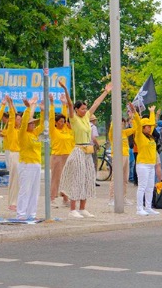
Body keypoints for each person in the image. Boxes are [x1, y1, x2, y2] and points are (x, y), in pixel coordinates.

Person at [59, 80, 112, 218]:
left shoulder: (87, 117)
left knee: (88, 177)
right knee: (77, 178)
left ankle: (83, 208)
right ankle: (72, 209)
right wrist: (65, 89)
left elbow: (96, 104)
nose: (84, 110)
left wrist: (106, 92)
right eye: (82, 108)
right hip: (78, 150)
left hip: (88, 151)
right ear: (77, 109)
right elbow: (70, 104)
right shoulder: (74, 118)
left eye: (85, 108)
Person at [10, 95, 44, 220]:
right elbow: (24, 122)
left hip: (36, 164)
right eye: (31, 124)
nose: (33, 125)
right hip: (26, 164)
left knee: (35, 191)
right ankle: (21, 214)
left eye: (34, 123)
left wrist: (43, 110)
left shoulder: (34, 134)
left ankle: (32, 214)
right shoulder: (23, 134)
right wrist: (28, 108)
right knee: (25, 189)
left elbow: (44, 125)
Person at [128, 104, 158, 215]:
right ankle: (139, 208)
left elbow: (152, 124)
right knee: (142, 187)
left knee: (150, 187)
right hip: (143, 164)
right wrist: (135, 112)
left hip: (151, 165)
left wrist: (152, 112)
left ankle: (148, 207)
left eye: (150, 126)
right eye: (148, 126)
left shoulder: (150, 136)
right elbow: (138, 122)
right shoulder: (139, 135)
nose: (150, 128)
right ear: (143, 127)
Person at [49, 93, 74, 207]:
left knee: (67, 178)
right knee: (56, 178)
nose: (62, 123)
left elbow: (64, 115)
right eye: (60, 121)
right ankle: (52, 199)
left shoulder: (66, 130)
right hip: (57, 156)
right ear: (56, 122)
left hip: (67, 156)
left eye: (63, 121)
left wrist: (64, 104)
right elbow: (51, 118)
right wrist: (52, 103)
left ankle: (65, 198)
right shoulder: (53, 130)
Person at [107, 116, 134, 207]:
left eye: (123, 123)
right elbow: (111, 127)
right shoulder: (113, 133)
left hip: (126, 155)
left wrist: (135, 118)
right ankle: (112, 198)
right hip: (118, 156)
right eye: (120, 123)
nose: (121, 125)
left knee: (125, 178)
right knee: (115, 177)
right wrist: (115, 119)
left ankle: (123, 197)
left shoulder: (124, 133)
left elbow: (135, 129)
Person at [3, 102, 23, 211]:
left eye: (20, 119)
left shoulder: (20, 131)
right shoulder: (11, 129)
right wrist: (10, 104)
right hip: (14, 154)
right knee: (14, 179)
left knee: (20, 179)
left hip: (22, 155)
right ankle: (12, 202)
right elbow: (11, 117)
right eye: (18, 119)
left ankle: (18, 201)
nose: (19, 121)